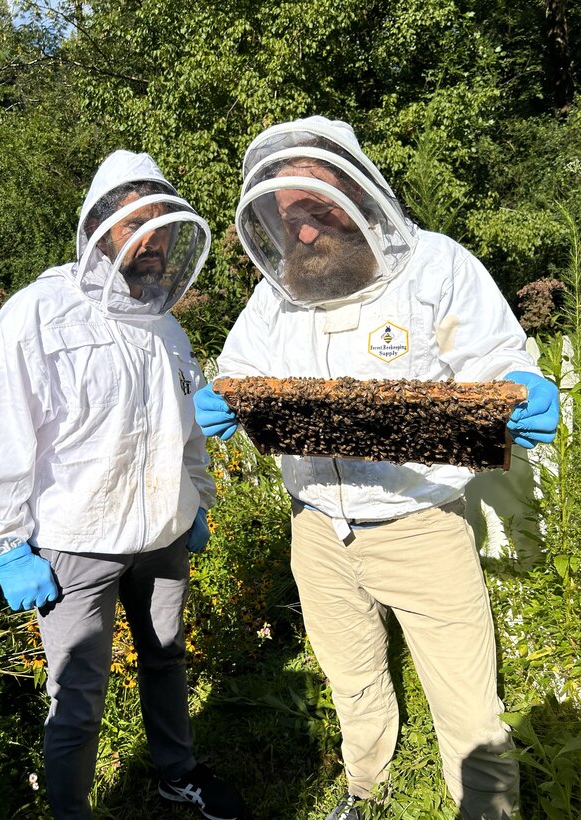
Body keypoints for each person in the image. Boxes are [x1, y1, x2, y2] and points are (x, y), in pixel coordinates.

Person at [193, 116, 559, 820]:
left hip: (418, 523)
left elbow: (496, 358)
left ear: (362, 195)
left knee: (465, 696)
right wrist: (223, 392)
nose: (302, 232)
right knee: (351, 678)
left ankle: (486, 810)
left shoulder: (436, 266)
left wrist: (521, 382)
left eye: (318, 208)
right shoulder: (278, 292)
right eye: (286, 216)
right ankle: (365, 788)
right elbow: (241, 364)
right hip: (317, 529)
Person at [0, 150, 247, 820]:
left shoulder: (167, 327)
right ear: (98, 228)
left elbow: (185, 429)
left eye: (161, 227)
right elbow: (0, 427)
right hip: (75, 542)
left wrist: (196, 499)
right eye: (133, 225)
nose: (151, 241)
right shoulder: (39, 313)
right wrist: (4, 544)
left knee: (165, 660)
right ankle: (70, 811)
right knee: (78, 693)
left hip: (163, 533)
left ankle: (177, 776)